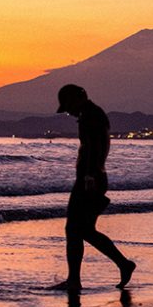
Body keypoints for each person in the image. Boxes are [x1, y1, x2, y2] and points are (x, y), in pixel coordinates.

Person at [51, 84, 135, 291]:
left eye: (68, 106)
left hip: (90, 179)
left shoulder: (90, 117)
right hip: (94, 177)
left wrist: (89, 175)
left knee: (75, 229)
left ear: (77, 100)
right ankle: (122, 265)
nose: (68, 112)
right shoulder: (93, 114)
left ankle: (76, 280)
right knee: (82, 230)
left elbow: (92, 148)